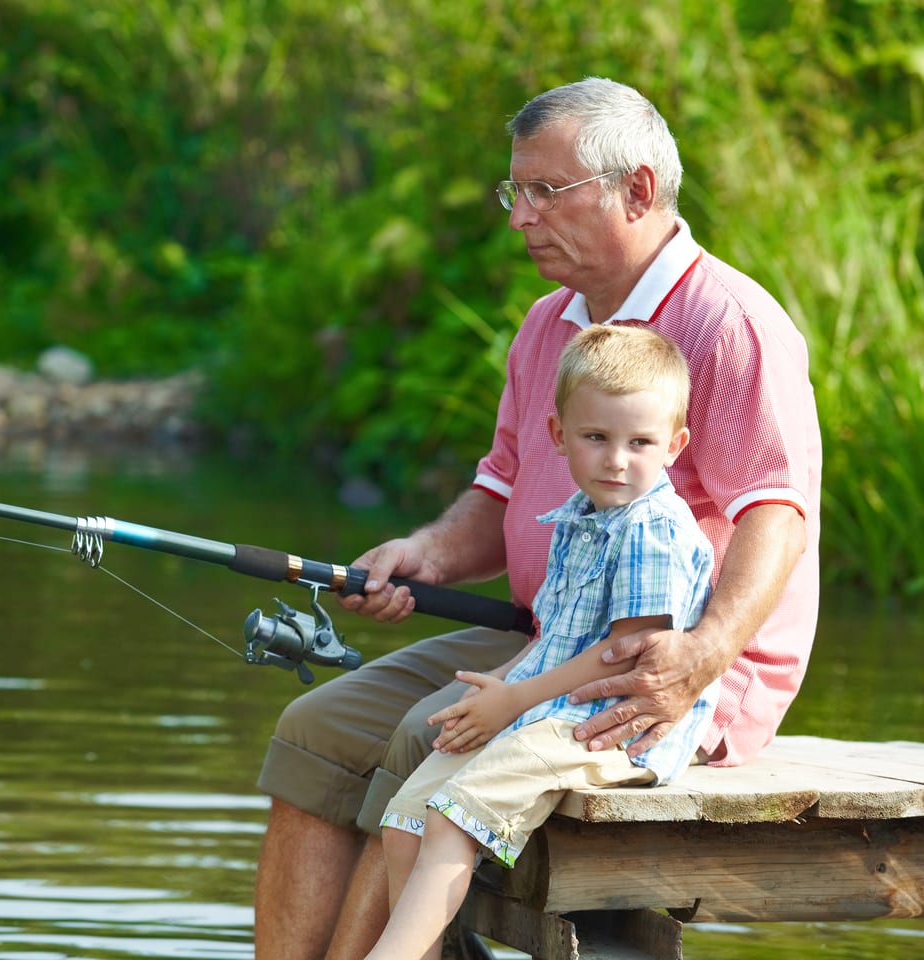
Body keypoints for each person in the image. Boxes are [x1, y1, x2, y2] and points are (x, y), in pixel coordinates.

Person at [253, 76, 820, 960]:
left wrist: (698, 657)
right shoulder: (549, 323)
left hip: (664, 667)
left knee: (421, 732)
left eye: (545, 191)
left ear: (636, 189)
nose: (520, 215)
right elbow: (504, 491)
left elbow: (776, 514)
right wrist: (426, 554)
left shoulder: (729, 321)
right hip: (547, 636)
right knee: (314, 730)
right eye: (514, 190)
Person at [364, 322, 715, 960]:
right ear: (558, 436)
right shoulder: (580, 518)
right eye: (595, 437)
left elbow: (629, 653)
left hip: (611, 724)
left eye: (640, 441)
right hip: (548, 706)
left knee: (452, 815)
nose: (616, 459)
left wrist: (517, 699)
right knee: (408, 813)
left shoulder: (652, 528)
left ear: (675, 444)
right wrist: (503, 690)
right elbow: (556, 636)